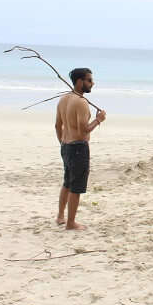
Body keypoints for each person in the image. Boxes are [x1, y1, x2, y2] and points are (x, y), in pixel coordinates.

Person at [55, 67, 106, 230]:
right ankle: (70, 223)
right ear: (79, 82)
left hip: (66, 146)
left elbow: (58, 125)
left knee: (67, 183)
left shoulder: (63, 99)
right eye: (89, 80)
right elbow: (84, 129)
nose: (92, 83)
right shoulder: (81, 102)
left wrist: (63, 142)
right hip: (78, 148)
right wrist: (99, 119)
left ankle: (60, 216)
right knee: (75, 187)